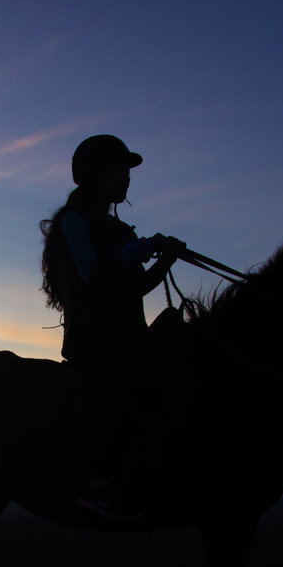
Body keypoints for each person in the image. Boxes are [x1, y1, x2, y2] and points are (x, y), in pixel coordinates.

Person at [39, 135, 184, 519]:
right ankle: (94, 484)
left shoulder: (118, 230)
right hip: (96, 340)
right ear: (93, 174)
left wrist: (164, 261)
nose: (126, 177)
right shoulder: (74, 221)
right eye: (117, 170)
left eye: (126, 171)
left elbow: (134, 287)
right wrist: (131, 252)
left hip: (130, 335)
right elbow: (91, 273)